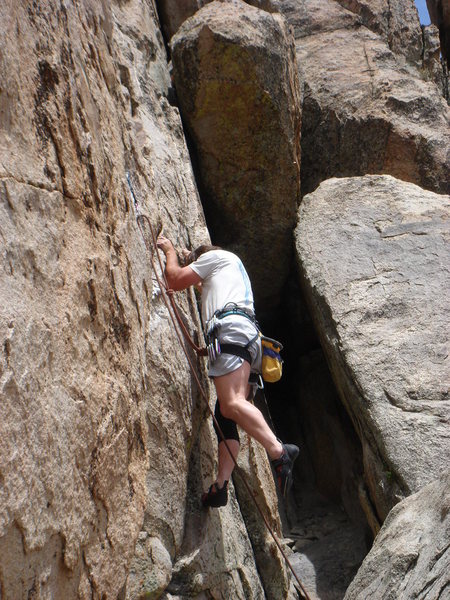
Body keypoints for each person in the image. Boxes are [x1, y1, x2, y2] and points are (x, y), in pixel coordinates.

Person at [156, 236, 299, 507]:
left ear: (203, 257)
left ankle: (280, 451)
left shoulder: (213, 258)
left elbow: (174, 278)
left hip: (232, 331)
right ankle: (221, 485)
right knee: (226, 413)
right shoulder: (231, 271)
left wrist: (171, 251)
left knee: (232, 403)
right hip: (247, 338)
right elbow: (201, 286)